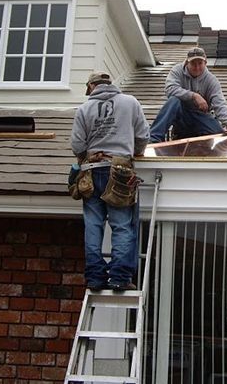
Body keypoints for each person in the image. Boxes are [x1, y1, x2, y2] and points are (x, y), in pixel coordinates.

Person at [71, 71, 150, 292]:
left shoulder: (84, 109)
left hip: (92, 172)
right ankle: (119, 277)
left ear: (92, 86)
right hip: (120, 171)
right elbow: (143, 135)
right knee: (122, 226)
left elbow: (77, 146)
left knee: (94, 226)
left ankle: (95, 278)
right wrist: (135, 152)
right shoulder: (130, 102)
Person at [149, 47, 227, 143]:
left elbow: (219, 103)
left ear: (205, 63)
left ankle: (196, 136)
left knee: (218, 133)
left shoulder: (211, 80)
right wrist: (194, 96)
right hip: (181, 115)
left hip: (201, 116)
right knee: (173, 101)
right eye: (193, 64)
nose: (197, 67)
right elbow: (170, 89)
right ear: (186, 63)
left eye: (200, 63)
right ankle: (153, 138)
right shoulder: (176, 71)